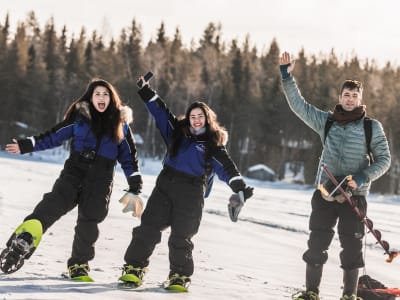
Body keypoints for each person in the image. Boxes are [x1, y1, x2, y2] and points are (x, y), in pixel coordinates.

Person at [118, 74, 254, 290]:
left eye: (200, 116)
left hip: (191, 194)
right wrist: (145, 90)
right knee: (148, 229)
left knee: (181, 236)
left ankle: (179, 276)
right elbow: (160, 113)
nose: (196, 120)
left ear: (207, 119)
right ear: (188, 119)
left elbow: (227, 168)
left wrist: (240, 188)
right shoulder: (177, 133)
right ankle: (134, 268)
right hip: (165, 186)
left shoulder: (213, 145)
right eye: (193, 116)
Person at [2, 78, 143, 280]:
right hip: (74, 172)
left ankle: (79, 265)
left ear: (112, 99)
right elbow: (54, 136)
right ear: (91, 98)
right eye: (97, 94)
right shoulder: (80, 118)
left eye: (105, 94)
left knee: (89, 222)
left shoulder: (121, 125)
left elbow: (129, 157)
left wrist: (135, 181)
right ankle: (25, 238)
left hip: (101, 180)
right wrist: (27, 145)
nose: (101, 97)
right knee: (51, 205)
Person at [279, 52, 391, 300]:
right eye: (346, 95)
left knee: (351, 249)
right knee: (317, 244)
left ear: (360, 99)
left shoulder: (371, 127)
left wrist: (361, 178)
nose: (350, 99)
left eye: (354, 96)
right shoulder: (326, 121)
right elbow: (299, 105)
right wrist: (287, 76)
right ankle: (311, 292)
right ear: (339, 97)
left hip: (354, 196)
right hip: (326, 194)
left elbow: (385, 160)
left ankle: (349, 295)